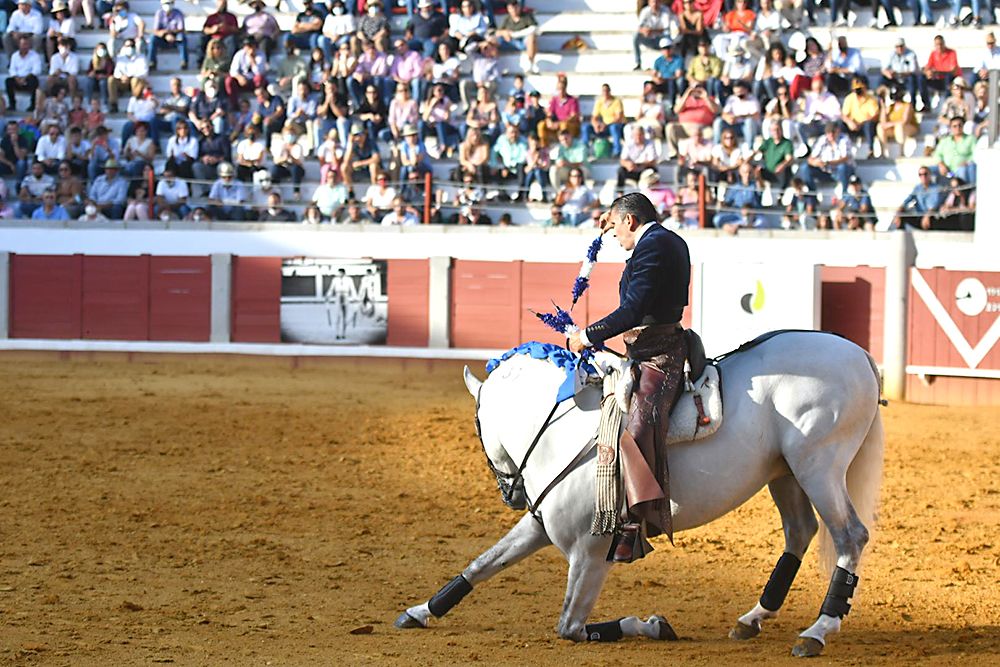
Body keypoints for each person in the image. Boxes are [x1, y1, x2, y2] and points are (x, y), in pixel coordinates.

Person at [568, 192, 691, 555]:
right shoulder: (660, 240)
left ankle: (636, 521)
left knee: (639, 423)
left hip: (660, 354)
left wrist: (587, 334)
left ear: (631, 221)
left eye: (617, 226)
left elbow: (633, 309)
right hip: (642, 349)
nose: (614, 235)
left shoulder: (654, 246)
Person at [665, 83, 718, 159]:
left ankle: (705, 155)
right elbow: (676, 110)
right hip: (684, 127)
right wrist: (687, 94)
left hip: (702, 128)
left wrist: (705, 97)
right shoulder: (684, 99)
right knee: (670, 127)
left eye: (698, 88)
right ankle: (674, 153)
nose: (696, 90)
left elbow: (715, 110)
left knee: (711, 133)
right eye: (694, 88)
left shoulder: (709, 99)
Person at [799, 122, 854, 193]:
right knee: (805, 167)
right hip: (825, 171)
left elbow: (845, 158)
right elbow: (811, 158)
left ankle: (844, 195)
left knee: (842, 167)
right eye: (828, 132)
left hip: (840, 171)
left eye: (833, 132)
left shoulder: (844, 139)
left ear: (838, 131)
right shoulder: (822, 139)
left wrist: (828, 163)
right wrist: (816, 163)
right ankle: (812, 195)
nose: (831, 134)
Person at [713, 161, 764, 230]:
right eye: (745, 172)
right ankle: (736, 226)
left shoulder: (755, 185)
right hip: (737, 215)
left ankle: (744, 226)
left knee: (762, 222)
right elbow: (727, 202)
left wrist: (758, 177)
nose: (747, 175)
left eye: (750, 172)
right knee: (717, 219)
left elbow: (761, 189)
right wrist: (722, 203)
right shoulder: (735, 187)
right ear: (740, 173)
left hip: (753, 215)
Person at [582, 84, 626, 158]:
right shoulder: (600, 102)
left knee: (614, 128)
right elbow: (594, 117)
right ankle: (584, 150)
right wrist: (595, 124)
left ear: (610, 91)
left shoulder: (616, 101)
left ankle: (617, 151)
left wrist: (605, 124)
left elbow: (618, 118)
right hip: (604, 126)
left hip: (615, 125)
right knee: (586, 127)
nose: (605, 93)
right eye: (603, 91)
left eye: (607, 91)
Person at [841, 76, 880, 157]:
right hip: (853, 125)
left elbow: (875, 116)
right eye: (856, 90)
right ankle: (842, 151)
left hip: (864, 126)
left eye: (859, 90)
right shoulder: (849, 98)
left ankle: (871, 150)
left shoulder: (871, 99)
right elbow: (844, 115)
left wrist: (862, 123)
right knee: (841, 125)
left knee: (868, 125)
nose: (858, 92)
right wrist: (850, 122)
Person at [713, 80, 760, 147]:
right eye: (736, 93)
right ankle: (716, 148)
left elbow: (756, 115)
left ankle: (750, 148)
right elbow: (724, 113)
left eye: (740, 92)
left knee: (749, 122)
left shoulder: (752, 100)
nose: (738, 95)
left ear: (746, 90)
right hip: (733, 125)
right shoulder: (732, 99)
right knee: (718, 122)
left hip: (746, 127)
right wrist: (728, 118)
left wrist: (739, 117)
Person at [496, 0, 539, 74]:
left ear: (519, 7)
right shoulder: (507, 19)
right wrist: (504, 33)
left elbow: (534, 28)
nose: (514, 10)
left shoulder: (527, 16)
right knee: (494, 40)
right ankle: (496, 66)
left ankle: (530, 64)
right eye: (511, 8)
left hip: (523, 42)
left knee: (531, 38)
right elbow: (498, 32)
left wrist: (515, 34)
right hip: (510, 42)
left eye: (515, 8)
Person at [107, 37, 148, 113]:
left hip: (136, 82)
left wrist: (130, 76)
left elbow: (144, 72)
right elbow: (116, 72)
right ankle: (113, 104)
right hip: (123, 82)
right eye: (127, 46)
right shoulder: (120, 58)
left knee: (135, 80)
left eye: (131, 46)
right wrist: (121, 77)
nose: (129, 48)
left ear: (135, 47)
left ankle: (134, 105)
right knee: (111, 79)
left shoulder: (141, 58)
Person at [634, 0, 677, 70]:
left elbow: (665, 28)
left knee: (668, 37)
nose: (655, 4)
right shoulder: (645, 11)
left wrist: (652, 31)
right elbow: (639, 27)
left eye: (656, 2)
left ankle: (669, 63)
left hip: (661, 38)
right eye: (653, 2)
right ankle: (637, 62)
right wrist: (644, 31)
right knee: (636, 36)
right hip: (649, 38)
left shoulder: (665, 10)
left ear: (660, 2)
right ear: (649, 3)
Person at [921, 35, 961, 109]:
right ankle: (926, 104)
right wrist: (928, 72)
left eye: (941, 44)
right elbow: (927, 67)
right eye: (937, 45)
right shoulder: (933, 54)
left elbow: (952, 70)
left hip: (950, 79)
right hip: (938, 79)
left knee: (948, 77)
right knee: (921, 79)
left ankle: (947, 105)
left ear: (944, 44)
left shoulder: (951, 52)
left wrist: (937, 72)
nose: (939, 46)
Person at [617, 125, 659, 195]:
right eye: (636, 135)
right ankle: (620, 194)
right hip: (632, 170)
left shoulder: (650, 143)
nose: (638, 137)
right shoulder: (628, 144)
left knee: (653, 171)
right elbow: (622, 160)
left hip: (644, 169)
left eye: (640, 135)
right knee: (621, 170)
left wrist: (640, 165)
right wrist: (628, 164)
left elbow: (653, 161)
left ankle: (652, 194)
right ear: (633, 136)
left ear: (644, 135)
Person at [934, 116, 977, 185]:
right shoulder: (945, 140)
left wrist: (967, 162)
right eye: (954, 126)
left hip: (962, 169)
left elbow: (976, 154)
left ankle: (966, 192)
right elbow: (937, 154)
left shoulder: (971, 139)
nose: (958, 128)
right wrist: (941, 164)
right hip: (947, 170)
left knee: (964, 170)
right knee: (926, 171)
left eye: (960, 125)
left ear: (963, 126)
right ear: (950, 128)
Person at [876, 87, 918, 158]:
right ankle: (883, 153)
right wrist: (883, 107)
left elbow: (905, 121)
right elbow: (883, 122)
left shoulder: (907, 105)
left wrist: (890, 124)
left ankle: (901, 153)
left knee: (899, 126)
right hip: (894, 129)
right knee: (880, 126)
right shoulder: (890, 107)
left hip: (908, 128)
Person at [6, 35, 42, 111]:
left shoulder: (35, 55)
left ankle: (32, 105)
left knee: (34, 80)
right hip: (17, 80)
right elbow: (12, 69)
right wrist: (17, 78)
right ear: (19, 45)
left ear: (29, 45)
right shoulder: (14, 56)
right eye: (23, 44)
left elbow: (37, 70)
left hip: (28, 79)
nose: (24, 47)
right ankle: (12, 104)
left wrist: (25, 78)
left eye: (26, 44)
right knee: (8, 81)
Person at [880, 38, 919, 109]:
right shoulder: (891, 54)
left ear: (904, 46)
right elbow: (884, 69)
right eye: (897, 47)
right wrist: (889, 74)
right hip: (895, 78)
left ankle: (913, 106)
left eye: (901, 46)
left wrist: (900, 73)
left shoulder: (911, 54)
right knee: (882, 79)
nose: (900, 48)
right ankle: (881, 103)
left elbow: (913, 70)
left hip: (906, 78)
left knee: (912, 80)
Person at [755, 122, 793, 189]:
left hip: (780, 174)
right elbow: (757, 151)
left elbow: (789, 158)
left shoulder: (787, 143)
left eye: (777, 129)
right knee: (755, 170)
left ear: (781, 130)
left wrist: (782, 165)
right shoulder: (768, 142)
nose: (775, 132)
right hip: (767, 172)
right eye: (773, 130)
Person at [650, 42, 686, 109]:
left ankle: (672, 104)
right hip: (663, 82)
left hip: (673, 82)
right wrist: (657, 79)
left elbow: (678, 74)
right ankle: (647, 103)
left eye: (668, 48)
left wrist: (665, 78)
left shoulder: (678, 59)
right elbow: (653, 74)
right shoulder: (658, 61)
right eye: (664, 48)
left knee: (672, 82)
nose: (667, 50)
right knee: (648, 84)